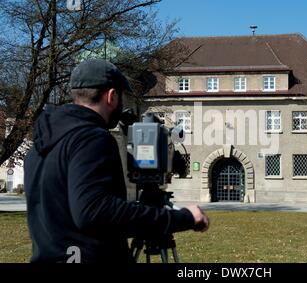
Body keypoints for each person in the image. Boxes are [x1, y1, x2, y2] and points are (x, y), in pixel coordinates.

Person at [24, 59, 209, 263]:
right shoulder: (91, 138)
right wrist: (184, 218)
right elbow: (95, 211)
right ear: (112, 96)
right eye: (123, 97)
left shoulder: (40, 145)